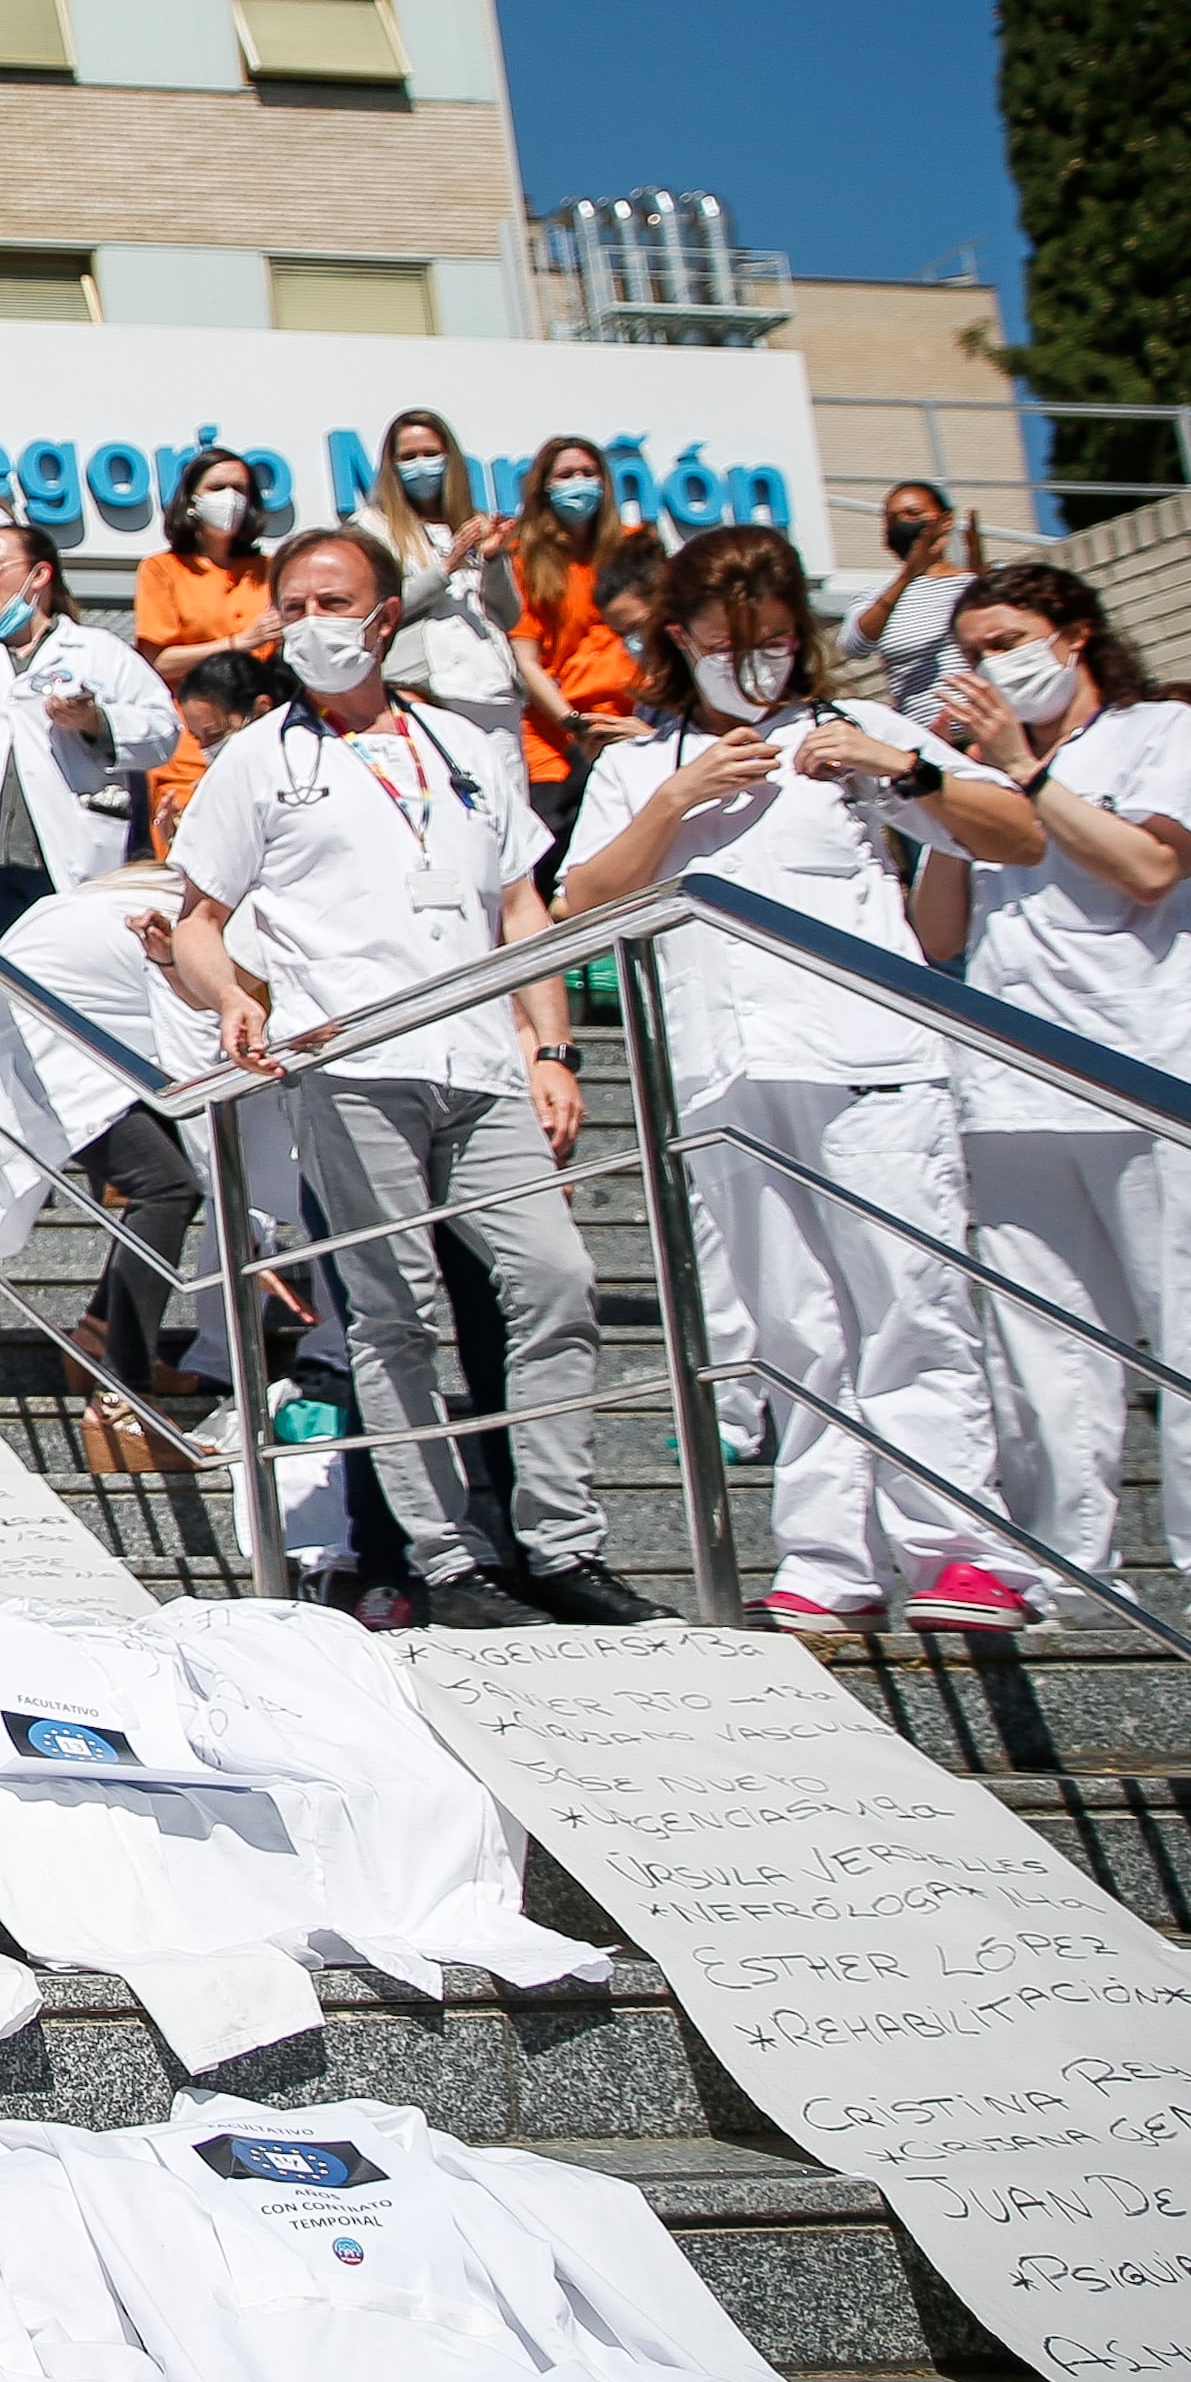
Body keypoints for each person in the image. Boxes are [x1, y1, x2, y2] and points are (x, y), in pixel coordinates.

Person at [167, 524, 658, 1632]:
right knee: (394, 1313)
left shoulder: (466, 747)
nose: (307, 624)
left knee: (554, 1282)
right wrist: (234, 1000)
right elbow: (197, 918)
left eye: (329, 602)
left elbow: (519, 908)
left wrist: (550, 1046)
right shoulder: (258, 759)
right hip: (350, 1062)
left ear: (384, 617)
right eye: (289, 606)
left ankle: (558, 1543)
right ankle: (442, 1561)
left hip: (480, 1062)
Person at [559, 524, 1046, 1635]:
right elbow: (582, 901)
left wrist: (902, 770)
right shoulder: (642, 763)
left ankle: (956, 1549)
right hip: (729, 1077)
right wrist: (670, 804)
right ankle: (826, 1557)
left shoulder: (858, 730)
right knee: (791, 1326)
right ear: (680, 639)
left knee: (909, 1308)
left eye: (775, 642)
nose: (757, 663)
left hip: (871, 1065)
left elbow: (1012, 834)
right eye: (732, 644)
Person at [908, 561, 1191, 1643]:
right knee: (1041, 1342)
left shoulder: (1160, 730)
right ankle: (1062, 1560)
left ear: (1073, 636)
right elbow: (936, 935)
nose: (989, 664)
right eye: (971, 649)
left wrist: (1024, 774)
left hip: (1157, 1072)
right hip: (1016, 1082)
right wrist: (938, 799)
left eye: (1008, 638)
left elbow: (1143, 866)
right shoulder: (979, 764)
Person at [0, 521, 177, 950]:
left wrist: (94, 722)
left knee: (65, 979)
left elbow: (164, 731)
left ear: (40, 575)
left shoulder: (96, 650)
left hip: (60, 855)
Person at [501, 433, 648, 861]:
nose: (578, 482)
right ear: (544, 487)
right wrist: (574, 723)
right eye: (566, 474)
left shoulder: (635, 545)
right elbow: (525, 659)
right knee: (558, 857)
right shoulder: (523, 557)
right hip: (555, 740)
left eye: (588, 473)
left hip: (634, 725)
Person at [134, 446, 281, 853]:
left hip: (259, 724)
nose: (230, 498)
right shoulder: (162, 569)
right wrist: (239, 643)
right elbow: (156, 662)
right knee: (190, 843)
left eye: (240, 489)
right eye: (218, 487)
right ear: (192, 500)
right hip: (191, 734)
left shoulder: (270, 570)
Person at [352, 407, 522, 743]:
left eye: (431, 454)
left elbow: (509, 613)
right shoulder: (372, 527)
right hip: (429, 690)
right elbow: (376, 610)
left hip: (493, 692)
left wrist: (494, 557)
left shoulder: (473, 522)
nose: (421, 465)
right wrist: (446, 567)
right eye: (409, 456)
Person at [839, 481, 982, 717]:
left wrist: (979, 574)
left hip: (983, 735)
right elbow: (855, 646)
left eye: (913, 514)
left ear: (945, 520)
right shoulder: (875, 597)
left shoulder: (974, 582)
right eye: (892, 519)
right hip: (922, 738)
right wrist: (908, 575)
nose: (902, 524)